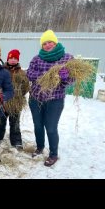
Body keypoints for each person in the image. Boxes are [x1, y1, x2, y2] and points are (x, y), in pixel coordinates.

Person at [27, 30, 74, 167]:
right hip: (36, 98)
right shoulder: (37, 58)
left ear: (55, 42)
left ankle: (53, 154)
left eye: (50, 42)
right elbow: (29, 73)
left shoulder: (67, 58)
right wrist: (46, 75)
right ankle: (40, 147)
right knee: (38, 125)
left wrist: (65, 77)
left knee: (51, 127)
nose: (47, 45)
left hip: (55, 99)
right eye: (44, 43)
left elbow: (72, 79)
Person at [0, 49, 29, 149]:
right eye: (11, 58)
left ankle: (16, 141)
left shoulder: (22, 73)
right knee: (0, 120)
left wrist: (19, 95)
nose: (13, 60)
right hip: (3, 101)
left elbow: (26, 86)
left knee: (15, 122)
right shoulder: (1, 70)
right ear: (8, 59)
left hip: (16, 103)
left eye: (15, 58)